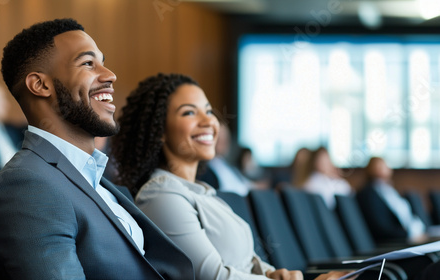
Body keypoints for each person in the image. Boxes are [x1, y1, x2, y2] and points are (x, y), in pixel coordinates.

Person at [0, 18, 194, 279]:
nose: (110, 75)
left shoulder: (96, 178)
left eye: (102, 62)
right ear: (40, 85)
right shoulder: (27, 184)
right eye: (88, 63)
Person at [111, 73, 353, 280]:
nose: (209, 121)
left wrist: (271, 273)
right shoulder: (160, 195)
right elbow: (212, 277)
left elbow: (245, 261)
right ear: (159, 130)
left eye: (208, 111)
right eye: (189, 113)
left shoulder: (202, 192)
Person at [357, 157, 427, 244]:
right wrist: (408, 234)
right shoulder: (368, 194)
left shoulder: (388, 190)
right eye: (379, 166)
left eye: (384, 166)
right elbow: (381, 228)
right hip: (392, 243)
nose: (384, 169)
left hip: (408, 236)